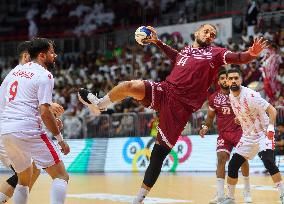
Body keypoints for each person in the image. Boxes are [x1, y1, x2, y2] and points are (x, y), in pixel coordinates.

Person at [78, 24, 267, 204]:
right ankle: (100, 104)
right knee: (129, 86)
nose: (209, 35)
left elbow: (239, 57)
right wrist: (158, 42)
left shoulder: (215, 53)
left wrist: (251, 54)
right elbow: (177, 57)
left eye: (212, 34)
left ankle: (139, 199)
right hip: (165, 90)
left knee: (158, 154)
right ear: (197, 32)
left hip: (181, 108)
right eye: (206, 31)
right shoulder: (185, 50)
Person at [0, 38, 70, 204]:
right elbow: (44, 112)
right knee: (61, 176)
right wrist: (60, 140)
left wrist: (48, 115)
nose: (55, 55)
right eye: (52, 52)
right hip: (25, 129)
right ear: (41, 56)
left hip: (6, 130)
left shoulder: (14, 73)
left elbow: (21, 104)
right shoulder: (44, 74)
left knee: (24, 178)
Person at [219, 68, 284, 204]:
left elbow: (272, 110)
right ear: (227, 81)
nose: (233, 80)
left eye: (236, 78)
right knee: (232, 165)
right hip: (248, 136)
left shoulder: (251, 95)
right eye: (230, 78)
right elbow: (243, 112)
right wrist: (240, 119)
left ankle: (282, 194)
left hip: (263, 134)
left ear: (241, 79)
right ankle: (230, 198)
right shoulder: (231, 95)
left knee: (268, 161)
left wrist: (271, 129)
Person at [199, 69, 252, 203]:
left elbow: (250, 110)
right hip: (223, 134)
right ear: (219, 82)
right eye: (222, 78)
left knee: (243, 160)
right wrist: (205, 127)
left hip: (240, 131)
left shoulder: (238, 94)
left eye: (226, 78)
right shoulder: (213, 98)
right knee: (221, 158)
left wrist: (243, 118)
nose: (224, 80)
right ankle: (221, 194)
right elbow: (210, 117)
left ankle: (247, 190)